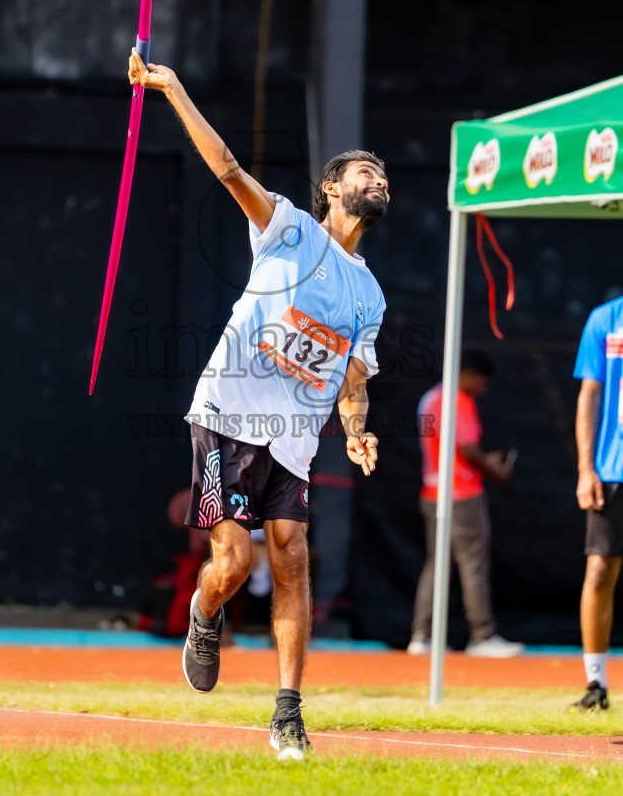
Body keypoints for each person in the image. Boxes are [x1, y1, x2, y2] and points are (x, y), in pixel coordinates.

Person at [128, 48, 388, 759]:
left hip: (294, 442)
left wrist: (357, 433)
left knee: (291, 558)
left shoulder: (369, 293)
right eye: (366, 173)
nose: (379, 182)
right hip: (225, 414)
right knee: (234, 563)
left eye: (384, 177)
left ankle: (287, 712)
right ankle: (204, 610)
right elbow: (227, 170)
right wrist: (173, 88)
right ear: (331, 188)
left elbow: (354, 381)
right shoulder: (287, 227)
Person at [408, 350, 525, 657]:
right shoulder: (457, 400)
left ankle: (422, 636)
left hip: (432, 492)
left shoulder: (430, 398)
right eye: (482, 382)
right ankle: (482, 636)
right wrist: (494, 467)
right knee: (473, 566)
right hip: (461, 495)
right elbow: (468, 449)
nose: (482, 390)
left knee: (436, 566)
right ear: (470, 374)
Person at [571, 295, 623, 711]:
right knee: (600, 567)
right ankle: (596, 684)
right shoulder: (605, 319)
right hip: (612, 468)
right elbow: (589, 394)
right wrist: (586, 469)